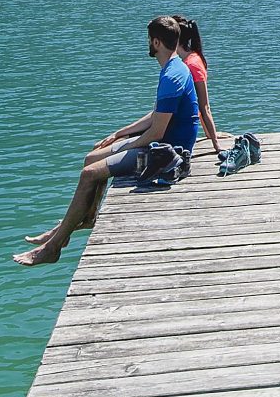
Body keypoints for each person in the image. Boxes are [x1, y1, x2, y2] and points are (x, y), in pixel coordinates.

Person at [15, 15, 203, 267]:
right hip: (159, 145)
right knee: (92, 156)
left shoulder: (172, 77)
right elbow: (157, 115)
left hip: (165, 156)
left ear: (156, 42)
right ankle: (87, 217)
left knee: (89, 174)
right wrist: (119, 134)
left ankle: (53, 247)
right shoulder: (174, 67)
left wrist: (127, 146)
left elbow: (156, 132)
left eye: (149, 40)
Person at [172, 15, 223, 157]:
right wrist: (209, 134)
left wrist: (216, 144)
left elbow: (204, 106)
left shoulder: (191, 65)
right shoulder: (192, 58)